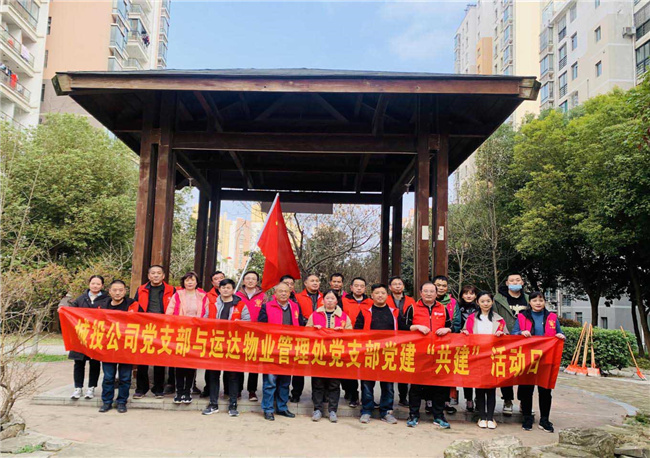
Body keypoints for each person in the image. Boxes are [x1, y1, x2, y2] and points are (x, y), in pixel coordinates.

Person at [513, 291, 565, 433]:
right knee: (526, 390)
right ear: (529, 302)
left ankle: (544, 420)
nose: (538, 303)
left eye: (541, 300)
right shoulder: (522, 317)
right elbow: (513, 333)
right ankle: (527, 418)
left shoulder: (552, 317)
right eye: (535, 300)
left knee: (545, 390)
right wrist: (520, 333)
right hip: (528, 358)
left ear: (544, 302)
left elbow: (559, 332)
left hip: (546, 358)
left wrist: (560, 336)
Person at [404, 281, 453, 429]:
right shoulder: (412, 308)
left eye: (432, 291)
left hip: (438, 353)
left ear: (437, 293)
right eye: (426, 291)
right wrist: (416, 327)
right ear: (420, 293)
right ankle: (413, 415)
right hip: (418, 353)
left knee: (439, 386)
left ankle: (438, 416)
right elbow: (403, 327)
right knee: (416, 386)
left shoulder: (443, 308)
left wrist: (447, 330)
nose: (429, 294)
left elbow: (451, 326)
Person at [354, 284, 402, 425]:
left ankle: (386, 412)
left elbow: (404, 329)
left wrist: (417, 327)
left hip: (388, 353)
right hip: (369, 353)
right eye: (377, 293)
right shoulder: (365, 312)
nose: (380, 295)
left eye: (383, 293)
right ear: (372, 296)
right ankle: (366, 411)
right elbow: (357, 331)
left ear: (387, 295)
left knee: (388, 385)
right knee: (367, 384)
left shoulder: (395, 312)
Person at [202, 278, 250, 417]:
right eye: (223, 287)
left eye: (228, 287)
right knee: (213, 374)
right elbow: (204, 321)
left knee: (233, 375)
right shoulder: (212, 304)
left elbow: (248, 323)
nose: (225, 290)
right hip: (215, 343)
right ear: (219, 289)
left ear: (233, 290)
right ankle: (213, 403)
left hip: (233, 344)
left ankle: (233, 404)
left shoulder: (240, 305)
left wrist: (240, 323)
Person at [461, 291, 507, 429]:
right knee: (480, 387)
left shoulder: (499, 320)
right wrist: (464, 333)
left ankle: (490, 417)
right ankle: (482, 416)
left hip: (493, 357)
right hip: (477, 357)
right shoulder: (471, 318)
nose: (485, 304)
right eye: (482, 301)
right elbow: (465, 333)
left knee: (491, 388)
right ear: (477, 302)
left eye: (488, 301)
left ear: (492, 302)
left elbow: (508, 338)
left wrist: (502, 335)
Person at [306, 289, 352, 423]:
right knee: (318, 383)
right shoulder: (315, 315)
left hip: (336, 355)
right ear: (323, 300)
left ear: (337, 301)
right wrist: (314, 330)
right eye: (327, 298)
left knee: (334, 384)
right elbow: (306, 331)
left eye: (332, 298)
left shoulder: (344, 316)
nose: (330, 301)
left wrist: (342, 332)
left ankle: (333, 410)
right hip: (319, 354)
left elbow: (351, 334)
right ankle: (317, 409)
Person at [258, 282, 302, 421]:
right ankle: (268, 409)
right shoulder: (266, 306)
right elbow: (260, 327)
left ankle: (282, 407)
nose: (283, 293)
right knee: (270, 382)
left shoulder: (295, 307)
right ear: (275, 293)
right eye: (280, 291)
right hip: (272, 348)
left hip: (289, 349)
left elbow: (301, 326)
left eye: (286, 291)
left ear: (290, 293)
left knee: (285, 381)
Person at [132, 265, 176, 399]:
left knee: (160, 359)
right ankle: (141, 388)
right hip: (145, 327)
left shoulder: (171, 290)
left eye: (158, 273)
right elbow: (135, 307)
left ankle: (158, 388)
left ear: (163, 276)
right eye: (153, 273)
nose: (156, 275)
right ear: (148, 276)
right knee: (142, 359)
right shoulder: (141, 289)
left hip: (163, 328)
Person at [166, 271, 208, 404]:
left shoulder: (203, 296)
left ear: (197, 282)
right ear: (183, 282)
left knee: (191, 363)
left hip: (195, 333)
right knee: (179, 363)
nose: (189, 282)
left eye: (192, 280)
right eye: (187, 280)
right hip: (180, 332)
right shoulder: (177, 295)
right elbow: (169, 312)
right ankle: (179, 391)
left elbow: (207, 314)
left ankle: (188, 391)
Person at [98, 280, 138, 413]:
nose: (117, 293)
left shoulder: (132, 304)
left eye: (120, 290)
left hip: (126, 346)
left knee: (125, 377)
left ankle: (122, 402)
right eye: (114, 290)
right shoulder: (102, 305)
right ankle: (106, 402)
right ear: (109, 291)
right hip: (108, 346)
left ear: (125, 291)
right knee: (108, 377)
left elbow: (138, 321)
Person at [493, 272, 529, 416]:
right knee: (505, 370)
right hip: (505, 339)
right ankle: (507, 400)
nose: (515, 282)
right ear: (507, 283)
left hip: (525, 340)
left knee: (524, 371)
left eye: (518, 280)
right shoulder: (498, 299)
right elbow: (495, 317)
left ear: (522, 282)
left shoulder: (528, 299)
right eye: (512, 280)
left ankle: (524, 402)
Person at [66, 275, 106, 400]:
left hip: (96, 336)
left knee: (95, 362)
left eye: (98, 284)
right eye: (93, 283)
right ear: (89, 284)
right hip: (81, 336)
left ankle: (91, 388)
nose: (95, 286)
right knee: (79, 362)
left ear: (102, 286)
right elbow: (70, 311)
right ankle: (78, 388)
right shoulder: (80, 299)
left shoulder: (106, 300)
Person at [341, 277, 373, 408]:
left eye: (362, 286)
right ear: (351, 287)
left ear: (365, 288)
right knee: (350, 369)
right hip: (348, 339)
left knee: (365, 370)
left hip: (366, 340)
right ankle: (353, 395)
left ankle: (367, 397)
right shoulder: (343, 301)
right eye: (356, 285)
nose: (359, 288)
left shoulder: (370, 302)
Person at [386, 275, 416, 406]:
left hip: (406, 337)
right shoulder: (386, 299)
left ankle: (403, 397)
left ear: (403, 286)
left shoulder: (410, 300)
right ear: (390, 287)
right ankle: (388, 398)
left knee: (404, 367)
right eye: (395, 284)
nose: (397, 286)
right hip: (389, 338)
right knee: (389, 367)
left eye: (400, 284)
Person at [291, 274, 322, 402]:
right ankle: (296, 394)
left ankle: (318, 396)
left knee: (318, 366)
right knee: (299, 366)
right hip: (302, 336)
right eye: (312, 281)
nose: (315, 283)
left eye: (317, 281)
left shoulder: (324, 297)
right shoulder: (298, 297)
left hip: (320, 338)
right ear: (305, 283)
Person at [236, 270, 264, 402]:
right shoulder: (237, 295)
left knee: (254, 363)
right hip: (239, 333)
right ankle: (237, 389)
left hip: (257, 333)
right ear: (243, 281)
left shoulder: (263, 296)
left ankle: (252, 391)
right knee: (239, 362)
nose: (250, 281)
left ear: (257, 281)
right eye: (248, 278)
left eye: (253, 279)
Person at [451, 285, 479, 412]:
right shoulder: (457, 306)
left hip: (476, 343)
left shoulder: (479, 307)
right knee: (462, 371)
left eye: (471, 293)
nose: (469, 296)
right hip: (460, 342)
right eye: (466, 293)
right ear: (462, 295)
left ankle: (474, 399)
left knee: (474, 373)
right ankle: (462, 397)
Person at [433, 275, 458, 413]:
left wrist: (449, 330)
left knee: (446, 371)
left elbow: (457, 323)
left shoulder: (453, 303)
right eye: (438, 285)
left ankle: (446, 401)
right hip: (430, 343)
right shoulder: (426, 300)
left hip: (448, 343)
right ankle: (429, 400)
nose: (441, 288)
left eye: (444, 286)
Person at [201, 270, 225, 398]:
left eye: (221, 278)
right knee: (210, 364)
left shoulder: (233, 295)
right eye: (216, 279)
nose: (219, 280)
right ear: (212, 282)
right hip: (212, 334)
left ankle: (229, 390)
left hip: (227, 335)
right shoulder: (208, 296)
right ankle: (208, 388)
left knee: (227, 364)